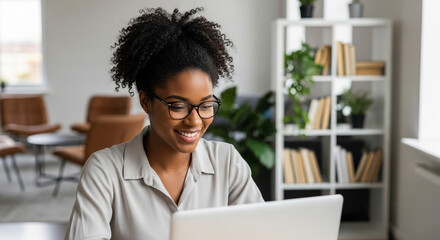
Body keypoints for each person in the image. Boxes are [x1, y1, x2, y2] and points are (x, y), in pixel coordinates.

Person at [65, 7, 264, 240]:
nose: (195, 121)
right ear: (146, 101)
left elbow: (260, 231)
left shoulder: (227, 163)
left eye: (206, 105)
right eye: (178, 106)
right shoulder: (105, 171)